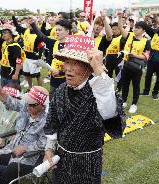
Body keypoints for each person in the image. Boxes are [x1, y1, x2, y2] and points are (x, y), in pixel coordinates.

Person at [43, 35, 126, 184]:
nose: (68, 68)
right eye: (67, 62)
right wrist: (49, 150)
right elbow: (52, 122)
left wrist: (100, 73)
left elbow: (111, 117)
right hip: (61, 160)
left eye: (75, 63)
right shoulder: (60, 91)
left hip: (88, 164)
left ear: (89, 67)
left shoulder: (99, 92)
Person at [0, 83, 49, 184]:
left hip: (28, 157)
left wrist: (24, 148)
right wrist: (0, 90)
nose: (28, 106)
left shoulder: (47, 121)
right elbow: (11, 102)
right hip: (12, 148)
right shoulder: (26, 106)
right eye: (27, 102)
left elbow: (43, 144)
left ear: (42, 105)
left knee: (7, 173)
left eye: (32, 104)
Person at [30, 17, 72, 97]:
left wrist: (60, 72)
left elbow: (75, 66)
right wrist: (33, 24)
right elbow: (42, 36)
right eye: (56, 30)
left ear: (67, 31)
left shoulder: (72, 46)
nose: (57, 32)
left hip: (67, 81)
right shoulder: (54, 43)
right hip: (54, 80)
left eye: (60, 30)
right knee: (53, 101)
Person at [118, 13, 150, 114]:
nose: (136, 29)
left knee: (136, 85)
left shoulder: (146, 41)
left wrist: (134, 55)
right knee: (125, 84)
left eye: (138, 28)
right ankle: (124, 101)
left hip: (137, 67)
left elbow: (146, 57)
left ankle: (134, 104)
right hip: (126, 65)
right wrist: (120, 18)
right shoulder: (129, 35)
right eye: (135, 27)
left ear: (143, 31)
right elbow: (121, 29)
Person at [12, 12, 44, 89]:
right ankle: (30, 88)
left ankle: (40, 89)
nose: (29, 24)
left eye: (31, 22)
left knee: (37, 75)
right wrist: (13, 16)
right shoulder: (25, 30)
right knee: (27, 74)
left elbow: (42, 46)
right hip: (26, 57)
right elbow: (17, 25)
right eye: (28, 22)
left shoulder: (38, 33)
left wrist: (39, 57)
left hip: (34, 58)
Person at [140, 16, 159, 100]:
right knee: (148, 75)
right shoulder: (154, 32)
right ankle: (146, 91)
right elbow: (146, 27)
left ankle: (155, 93)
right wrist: (146, 20)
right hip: (152, 57)